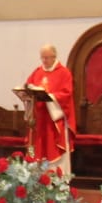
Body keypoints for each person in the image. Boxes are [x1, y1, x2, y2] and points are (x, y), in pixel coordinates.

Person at [25, 44, 75, 177]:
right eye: (42, 58)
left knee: (54, 148)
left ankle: (57, 178)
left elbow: (67, 94)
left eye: (47, 58)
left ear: (54, 57)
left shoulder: (64, 73)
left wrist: (50, 96)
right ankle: (39, 177)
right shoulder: (37, 72)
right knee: (39, 148)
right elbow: (28, 86)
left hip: (54, 118)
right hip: (40, 119)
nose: (45, 61)